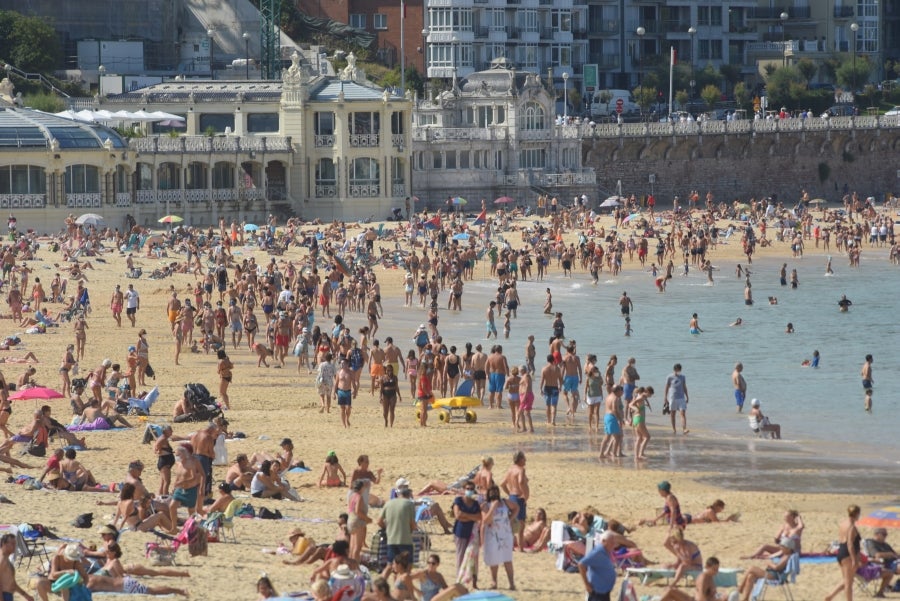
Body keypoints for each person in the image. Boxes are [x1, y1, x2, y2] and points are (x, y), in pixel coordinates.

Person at [481, 484, 516, 590]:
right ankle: (494, 582)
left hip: (505, 534)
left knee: (507, 559)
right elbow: (485, 521)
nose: (494, 493)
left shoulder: (504, 502)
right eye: (491, 491)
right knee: (494, 559)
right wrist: (492, 508)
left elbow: (516, 508)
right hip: (492, 535)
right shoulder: (485, 505)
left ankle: (511, 583)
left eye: (495, 491)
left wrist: (510, 518)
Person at [825, 505, 862, 601]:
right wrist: (854, 559)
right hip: (848, 555)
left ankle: (830, 596)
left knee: (847, 580)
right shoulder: (851, 526)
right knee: (849, 583)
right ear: (857, 514)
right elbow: (850, 544)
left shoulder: (843, 523)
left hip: (841, 552)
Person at [452, 480, 482, 583]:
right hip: (460, 532)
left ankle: (473, 581)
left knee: (473, 558)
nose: (469, 491)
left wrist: (466, 516)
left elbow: (479, 517)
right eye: (467, 489)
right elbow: (458, 515)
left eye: (471, 489)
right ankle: (459, 580)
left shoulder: (475, 503)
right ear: (464, 489)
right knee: (460, 556)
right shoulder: (458, 500)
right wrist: (472, 518)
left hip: (472, 534)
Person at [499, 451, 529, 552]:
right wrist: (524, 494)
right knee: (521, 524)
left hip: (512, 497)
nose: (525, 460)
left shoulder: (510, 469)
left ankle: (510, 546)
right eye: (524, 458)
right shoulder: (521, 470)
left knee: (511, 522)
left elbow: (502, 484)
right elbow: (520, 481)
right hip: (518, 497)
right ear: (520, 459)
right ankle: (520, 548)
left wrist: (509, 493)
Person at [378, 485, 417, 563]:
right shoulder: (409, 504)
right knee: (407, 565)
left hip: (391, 539)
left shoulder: (388, 503)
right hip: (405, 539)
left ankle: (383, 575)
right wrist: (411, 531)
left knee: (391, 565)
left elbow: (379, 521)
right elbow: (412, 523)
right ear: (409, 495)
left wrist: (387, 529)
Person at [578, 530, 618, 601]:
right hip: (597, 593)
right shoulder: (598, 552)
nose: (613, 544)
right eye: (611, 542)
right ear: (604, 541)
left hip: (604, 591)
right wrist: (587, 585)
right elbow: (581, 564)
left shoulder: (605, 551)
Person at [0, 533, 33, 601]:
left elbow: (11, 583)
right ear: (4, 544)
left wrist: (25, 595)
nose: (15, 546)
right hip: (4, 596)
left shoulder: (6, 559)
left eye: (15, 544)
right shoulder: (2, 560)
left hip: (8, 595)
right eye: (12, 543)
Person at [868, 528, 900, 597]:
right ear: (877, 534)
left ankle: (896, 585)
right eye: (884, 534)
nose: (886, 536)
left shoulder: (885, 545)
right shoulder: (871, 543)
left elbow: (895, 554)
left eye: (886, 534)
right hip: (885, 563)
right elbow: (877, 555)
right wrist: (890, 554)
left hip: (894, 561)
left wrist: (895, 555)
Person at [347, 479, 373, 561]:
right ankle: (355, 565)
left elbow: (351, 509)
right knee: (357, 547)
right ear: (361, 488)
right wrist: (367, 519)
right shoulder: (359, 497)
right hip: (358, 521)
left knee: (352, 546)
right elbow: (358, 511)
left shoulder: (351, 496)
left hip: (350, 520)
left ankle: (350, 563)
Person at [665, 363, 689, 435]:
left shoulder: (683, 377)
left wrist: (687, 396)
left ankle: (684, 429)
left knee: (683, 413)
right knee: (673, 414)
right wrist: (665, 398)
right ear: (674, 370)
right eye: (677, 370)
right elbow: (666, 387)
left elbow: (684, 387)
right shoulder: (669, 377)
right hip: (672, 398)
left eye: (679, 370)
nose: (678, 371)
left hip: (681, 398)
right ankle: (674, 429)